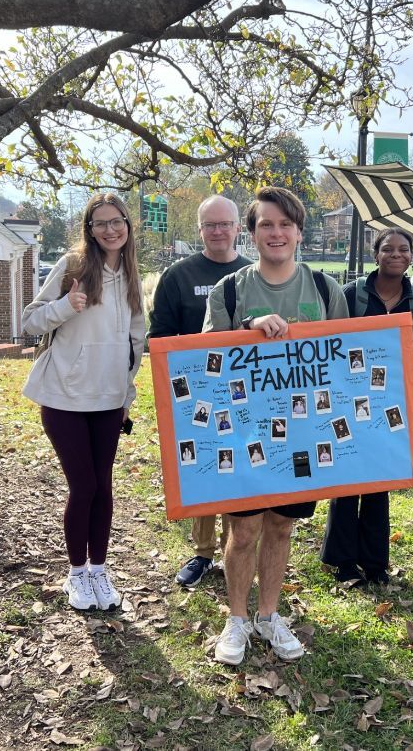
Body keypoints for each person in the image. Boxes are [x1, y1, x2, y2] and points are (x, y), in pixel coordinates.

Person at [204, 186, 349, 665]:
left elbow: (345, 363)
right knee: (243, 531)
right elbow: (204, 361)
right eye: (266, 224)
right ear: (251, 234)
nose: (276, 232)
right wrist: (247, 330)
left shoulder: (326, 290)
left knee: (282, 527)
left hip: (303, 435)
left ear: (299, 232)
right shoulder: (231, 290)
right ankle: (237, 619)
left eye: (285, 224)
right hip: (243, 432)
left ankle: (269, 615)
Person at [22, 192, 145, 612]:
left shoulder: (131, 273)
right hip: (64, 395)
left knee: (104, 486)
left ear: (128, 225)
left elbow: (135, 341)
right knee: (84, 486)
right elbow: (29, 321)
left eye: (117, 221)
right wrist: (64, 306)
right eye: (101, 223)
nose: (111, 230)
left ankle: (99, 570)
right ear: (89, 230)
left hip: (109, 398)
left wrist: (126, 393)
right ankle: (77, 573)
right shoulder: (73, 267)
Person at [149, 195, 251, 589]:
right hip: (197, 391)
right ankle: (204, 552)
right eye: (210, 225)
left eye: (225, 223)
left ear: (238, 228)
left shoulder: (252, 273)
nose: (218, 231)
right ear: (200, 229)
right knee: (205, 468)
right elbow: (160, 337)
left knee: (241, 465)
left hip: (246, 391)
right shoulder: (179, 275)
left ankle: (238, 545)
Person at [320, 227, 413, 586]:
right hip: (347, 397)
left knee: (379, 479)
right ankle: (343, 560)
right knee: (348, 476)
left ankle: (376, 562)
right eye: (388, 249)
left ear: (412, 256)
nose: (396, 255)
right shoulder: (351, 295)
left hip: (390, 401)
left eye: (404, 250)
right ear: (375, 254)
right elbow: (329, 340)